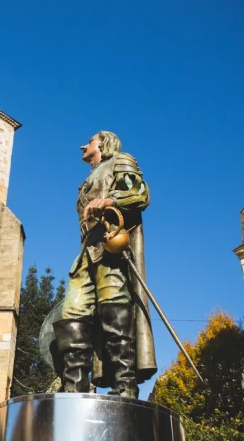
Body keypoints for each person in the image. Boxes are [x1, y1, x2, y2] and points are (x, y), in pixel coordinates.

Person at [53, 131, 157, 398]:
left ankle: (126, 386)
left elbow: (140, 195)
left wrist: (109, 201)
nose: (82, 145)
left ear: (103, 142)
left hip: (111, 250)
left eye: (88, 141)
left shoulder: (121, 160)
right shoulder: (89, 177)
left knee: (114, 311)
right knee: (72, 314)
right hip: (87, 253)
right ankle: (74, 388)